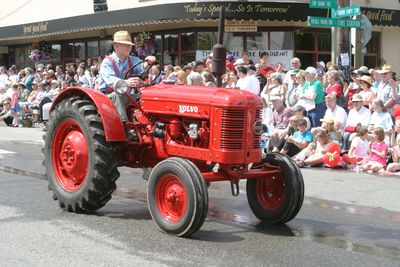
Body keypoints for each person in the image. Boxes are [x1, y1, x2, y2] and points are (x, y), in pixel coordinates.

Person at [98, 30, 155, 123]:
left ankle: (147, 123)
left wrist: (148, 63)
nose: (129, 47)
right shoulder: (107, 62)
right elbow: (111, 81)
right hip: (107, 96)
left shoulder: (131, 59)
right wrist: (127, 83)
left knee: (144, 97)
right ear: (116, 46)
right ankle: (124, 125)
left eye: (130, 45)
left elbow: (142, 66)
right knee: (118, 96)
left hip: (126, 95)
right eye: (126, 45)